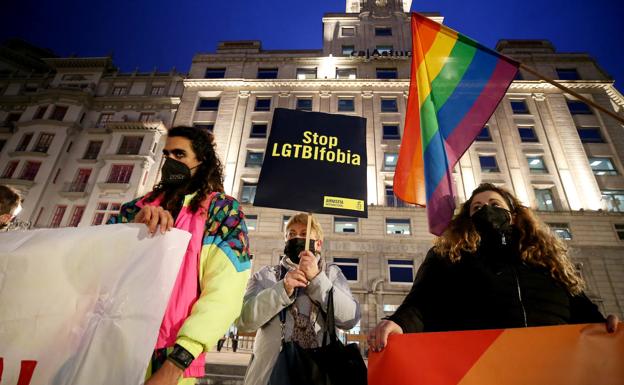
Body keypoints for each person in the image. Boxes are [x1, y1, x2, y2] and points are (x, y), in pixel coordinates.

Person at [368, 183, 619, 351]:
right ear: (467, 218)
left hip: (555, 362)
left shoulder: (545, 258)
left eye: (495, 204)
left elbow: (579, 306)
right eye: (477, 207)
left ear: (515, 214)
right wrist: (399, 322)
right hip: (482, 362)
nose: (486, 209)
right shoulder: (449, 255)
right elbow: (422, 302)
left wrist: (604, 326)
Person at [108, 126, 251, 385]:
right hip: (112, 348)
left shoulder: (222, 211)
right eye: (166, 154)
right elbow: (100, 265)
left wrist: (175, 366)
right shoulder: (133, 209)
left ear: (202, 160)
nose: (170, 161)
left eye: (179, 154)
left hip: (172, 360)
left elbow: (224, 294)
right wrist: (131, 231)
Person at [236, 213, 361, 385]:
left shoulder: (332, 273)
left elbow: (350, 319)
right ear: (285, 240)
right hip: (270, 374)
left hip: (320, 373)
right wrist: (282, 289)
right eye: (291, 234)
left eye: (304, 234)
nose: (297, 238)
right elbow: (244, 320)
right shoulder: (266, 275)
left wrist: (317, 280)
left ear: (318, 243)